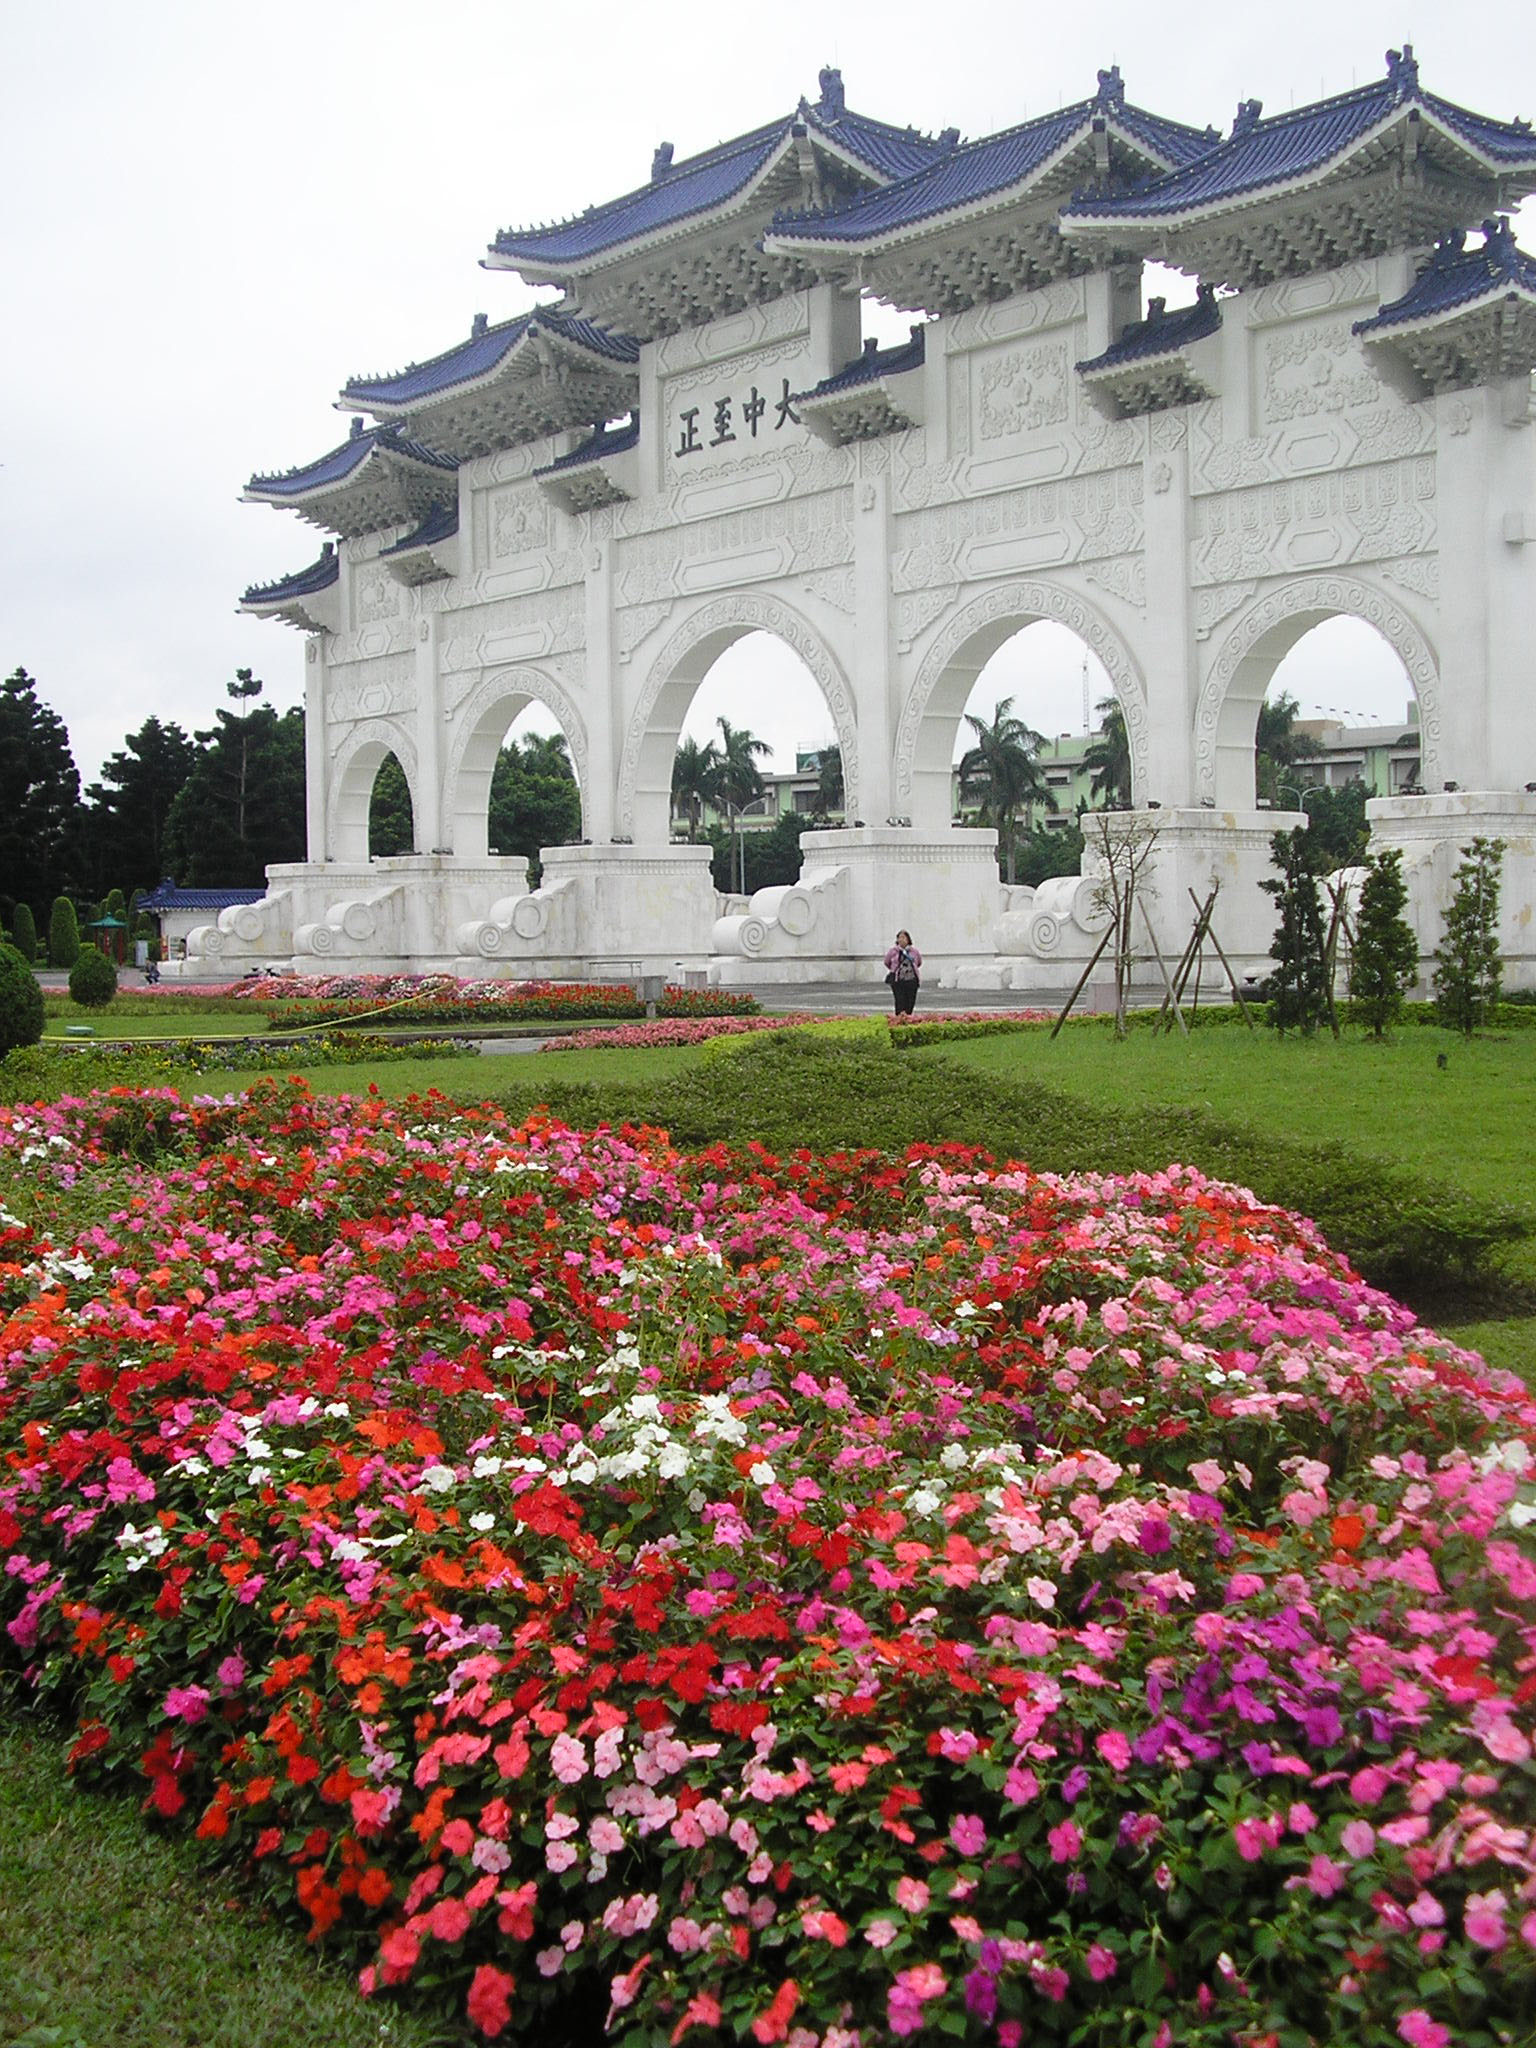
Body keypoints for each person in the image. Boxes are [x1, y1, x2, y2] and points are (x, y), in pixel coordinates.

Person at [884, 929, 922, 1017]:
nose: (901, 939)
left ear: (908, 939)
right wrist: (893, 969)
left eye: (904, 937)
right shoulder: (893, 951)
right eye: (899, 937)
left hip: (911, 980)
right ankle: (899, 1019)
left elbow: (919, 962)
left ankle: (908, 1017)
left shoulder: (914, 951)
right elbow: (887, 962)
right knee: (900, 1001)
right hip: (898, 981)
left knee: (910, 1002)